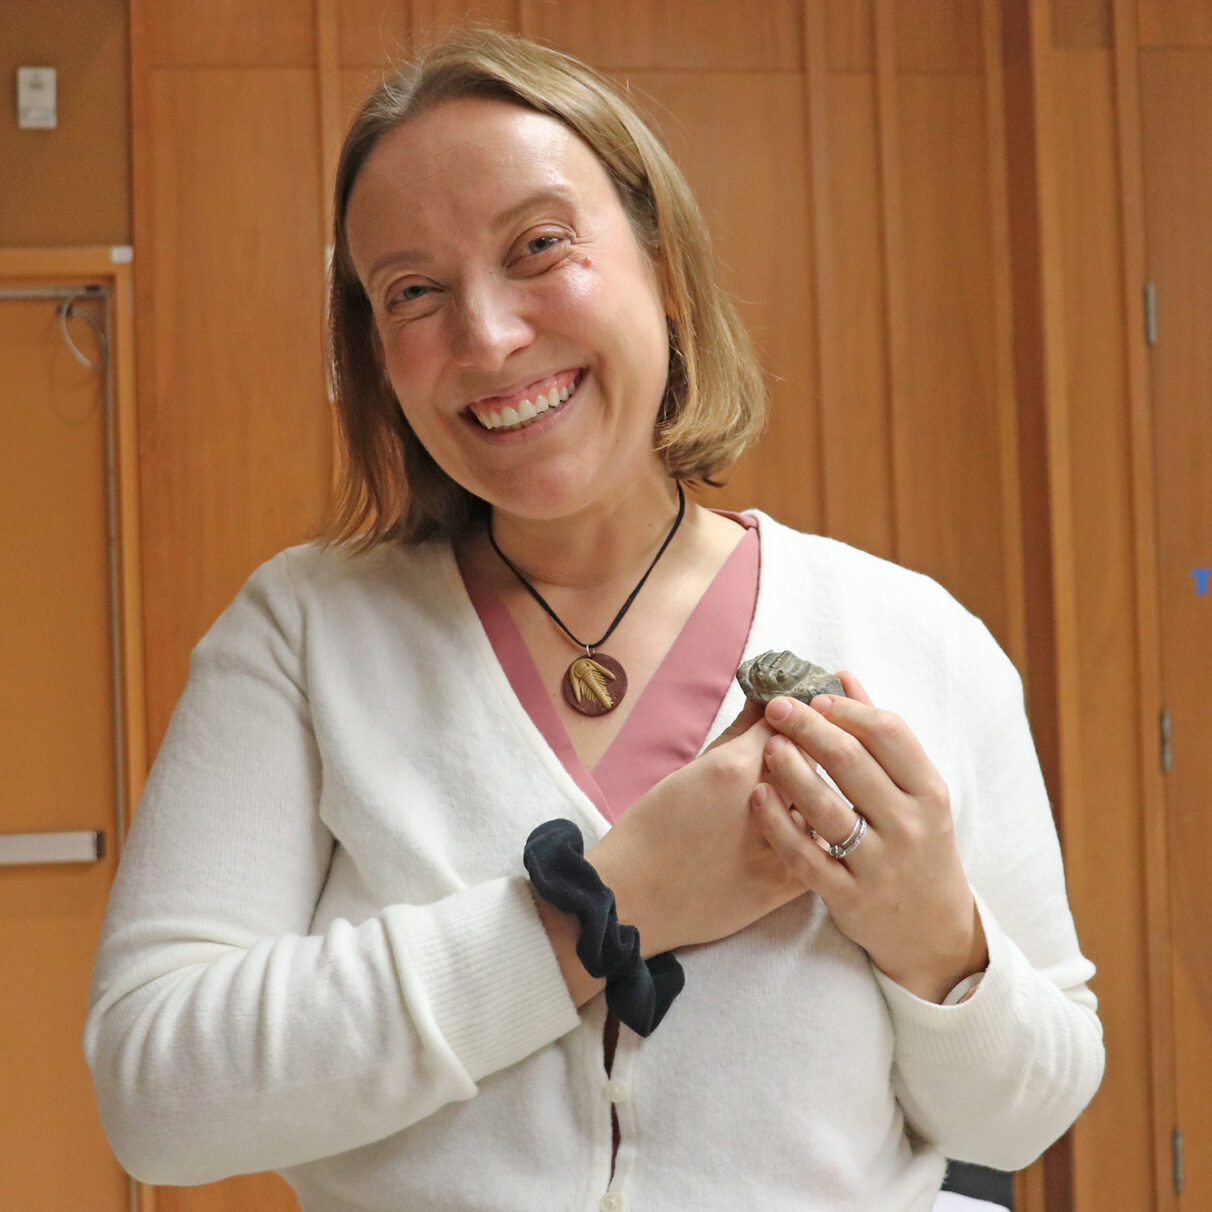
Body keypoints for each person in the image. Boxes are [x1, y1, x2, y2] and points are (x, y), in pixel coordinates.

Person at [85, 29, 1104, 1212]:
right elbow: (155, 1098)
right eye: (412, 292)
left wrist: (937, 938)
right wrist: (596, 914)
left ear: (663, 268)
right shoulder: (303, 636)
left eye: (539, 247)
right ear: (377, 353)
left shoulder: (913, 634)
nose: (488, 337)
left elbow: (1024, 1117)